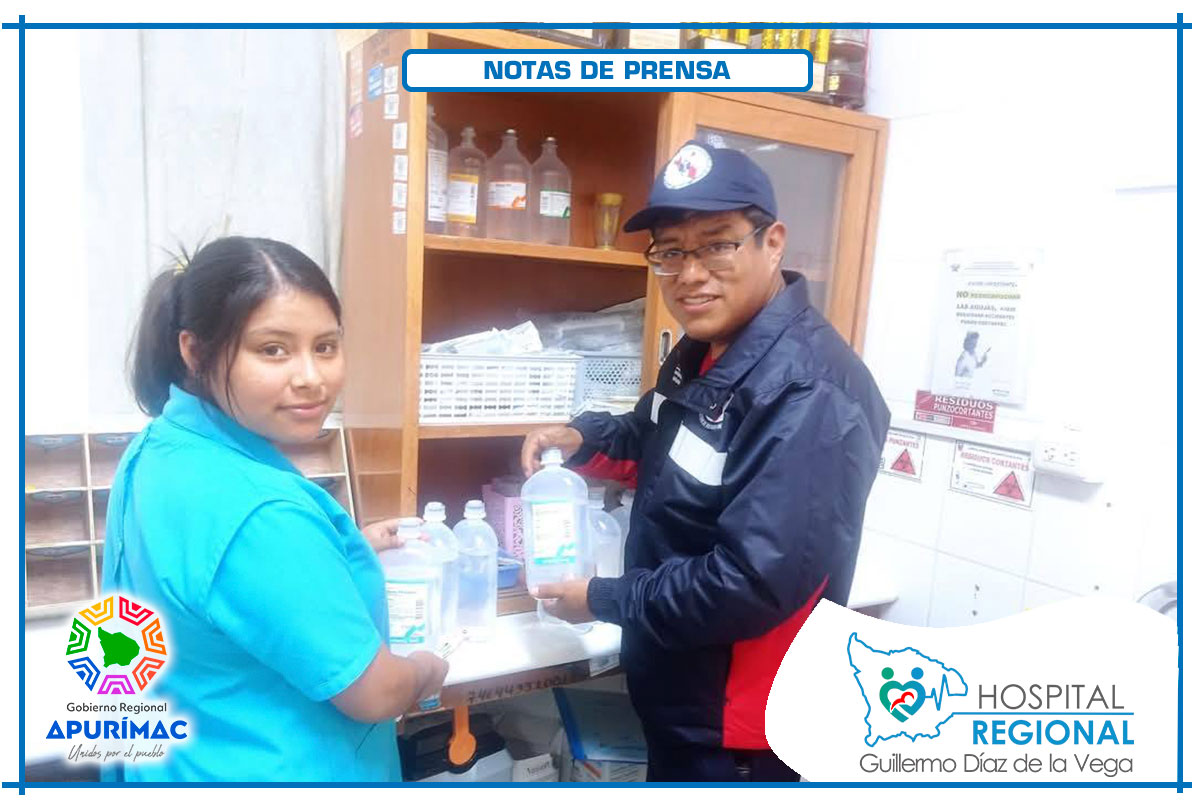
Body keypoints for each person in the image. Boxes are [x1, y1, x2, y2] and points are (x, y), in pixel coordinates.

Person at [522, 141, 890, 782]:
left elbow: (750, 583)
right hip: (686, 698)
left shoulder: (810, 391)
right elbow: (659, 440)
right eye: (670, 252)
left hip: (744, 733)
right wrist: (585, 438)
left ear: (772, 244)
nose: (690, 274)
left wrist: (605, 598)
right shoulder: (707, 349)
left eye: (717, 245)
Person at [102, 237, 448, 781]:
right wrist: (427, 668)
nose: (311, 377)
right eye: (273, 350)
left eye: (326, 346)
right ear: (195, 351)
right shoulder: (262, 513)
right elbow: (376, 693)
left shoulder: (160, 447)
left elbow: (213, 579)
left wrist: (335, 550)